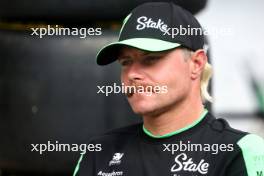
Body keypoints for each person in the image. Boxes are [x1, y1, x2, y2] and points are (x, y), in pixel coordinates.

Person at [73, 2, 264, 176]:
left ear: (196, 64)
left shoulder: (238, 151)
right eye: (126, 62)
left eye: (151, 59)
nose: (133, 74)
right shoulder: (99, 152)